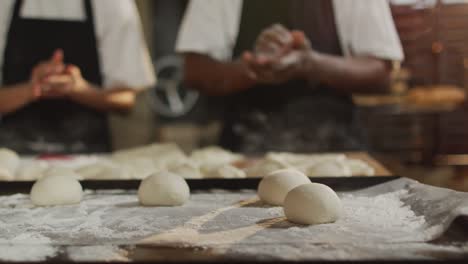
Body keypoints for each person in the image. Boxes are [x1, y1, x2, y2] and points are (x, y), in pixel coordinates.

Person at [176, 0, 404, 154]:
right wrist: (255, 68)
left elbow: (382, 74)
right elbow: (195, 72)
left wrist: (310, 64)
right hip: (245, 153)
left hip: (338, 154)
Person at [0, 0, 155, 154]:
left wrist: (78, 89)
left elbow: (125, 101)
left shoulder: (113, 4)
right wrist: (32, 89)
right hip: (11, 159)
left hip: (90, 158)